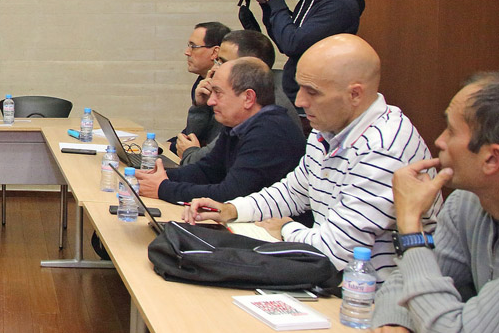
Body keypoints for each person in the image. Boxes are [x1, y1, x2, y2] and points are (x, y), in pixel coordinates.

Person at [185, 34, 437, 277]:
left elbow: (337, 251)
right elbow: (293, 191)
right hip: (330, 277)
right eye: (300, 88)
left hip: (369, 299)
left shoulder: (383, 148)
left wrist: (285, 228)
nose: (300, 101)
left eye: (312, 91)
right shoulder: (328, 130)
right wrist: (232, 209)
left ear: (355, 94)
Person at [366, 73, 499, 333]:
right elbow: (413, 276)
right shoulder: (467, 202)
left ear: (491, 158)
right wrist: (395, 322)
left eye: (451, 131)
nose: (439, 141)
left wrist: (410, 225)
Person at [136, 57, 306, 204]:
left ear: (248, 98)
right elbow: (207, 170)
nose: (211, 101)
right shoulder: (238, 124)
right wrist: (154, 176)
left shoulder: (269, 132)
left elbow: (229, 195)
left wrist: (163, 189)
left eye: (218, 93)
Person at [184, 29, 301, 164]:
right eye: (216, 61)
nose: (215, 69)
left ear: (250, 66)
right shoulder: (230, 91)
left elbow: (201, 161)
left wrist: (189, 153)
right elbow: (193, 139)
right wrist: (200, 106)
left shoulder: (263, 103)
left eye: (223, 62)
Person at [171, 21, 231, 163]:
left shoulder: (229, 91)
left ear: (215, 52)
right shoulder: (202, 83)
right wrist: (199, 106)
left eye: (194, 46)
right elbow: (193, 134)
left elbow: (212, 146)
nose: (187, 52)